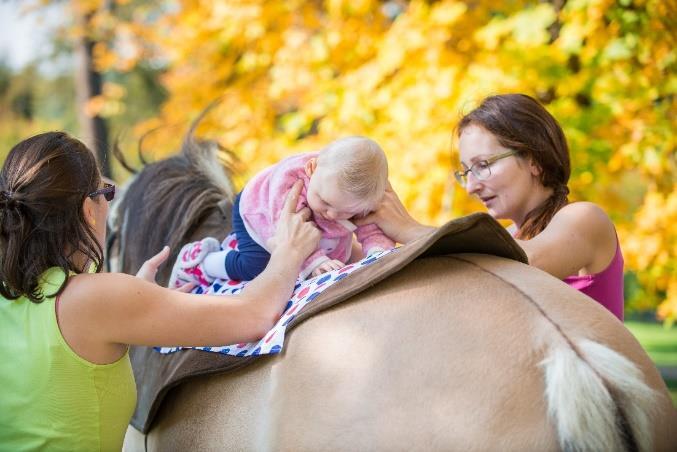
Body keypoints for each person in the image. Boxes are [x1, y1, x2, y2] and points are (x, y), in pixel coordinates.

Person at [0, 132, 320, 450]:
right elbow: (255, 315)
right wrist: (288, 252)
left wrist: (136, 299)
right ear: (88, 209)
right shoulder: (90, 297)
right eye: (107, 193)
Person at [357, 94, 624, 321]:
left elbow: (526, 262)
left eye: (483, 166)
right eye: (466, 172)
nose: (471, 186)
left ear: (534, 160)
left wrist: (408, 229)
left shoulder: (586, 219)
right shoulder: (504, 239)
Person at [169, 136, 395, 286]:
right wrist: (314, 261)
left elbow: (372, 226)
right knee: (255, 266)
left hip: (307, 227)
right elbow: (285, 233)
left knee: (343, 255)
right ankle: (201, 262)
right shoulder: (288, 184)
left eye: (346, 212)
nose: (332, 214)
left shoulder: (352, 196)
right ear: (312, 168)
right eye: (325, 202)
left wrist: (378, 251)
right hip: (263, 211)